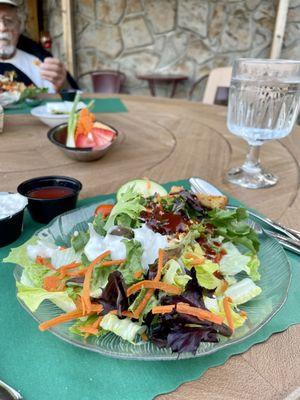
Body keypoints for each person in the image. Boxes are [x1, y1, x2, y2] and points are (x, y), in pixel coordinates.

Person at [0, 0, 78, 93]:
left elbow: (74, 100)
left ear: (19, 27)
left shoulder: (40, 60)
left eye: (8, 20)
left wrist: (63, 85)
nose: (2, 27)